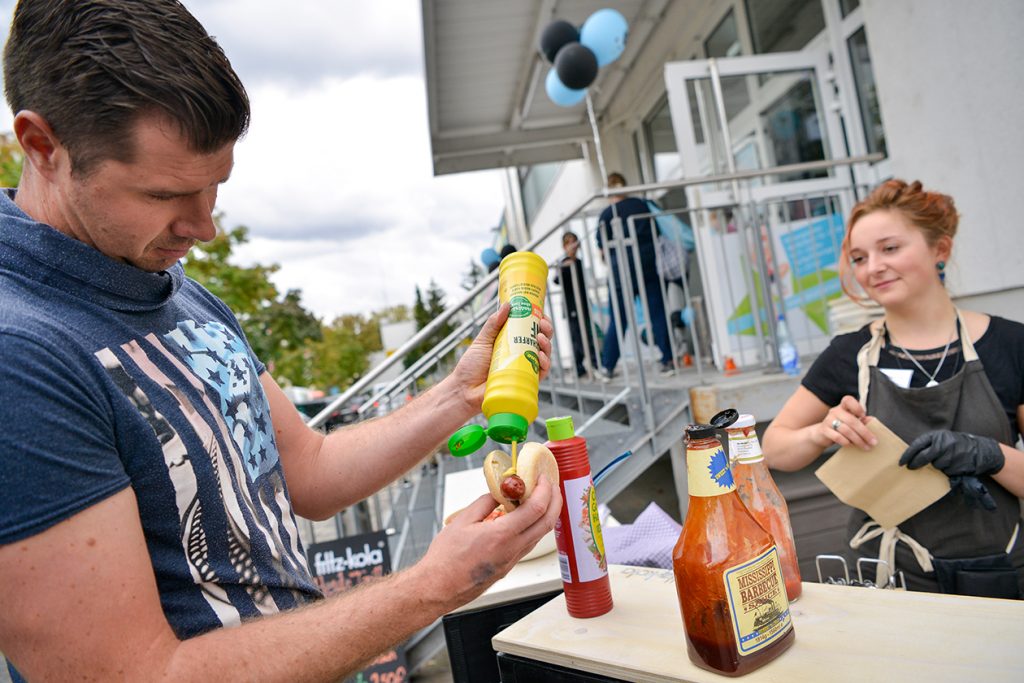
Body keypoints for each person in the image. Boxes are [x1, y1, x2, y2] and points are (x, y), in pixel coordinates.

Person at [0, 2, 560, 681]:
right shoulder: (21, 355)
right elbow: (133, 672)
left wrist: (457, 395)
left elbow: (309, 469)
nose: (204, 227)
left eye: (215, 186)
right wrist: (431, 585)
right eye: (165, 193)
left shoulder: (176, 287)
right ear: (40, 145)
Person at [762, 179, 1024, 597]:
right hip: (890, 578)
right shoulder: (849, 354)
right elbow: (773, 448)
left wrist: (991, 455)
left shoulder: (1010, 346)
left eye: (890, 249)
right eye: (859, 257)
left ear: (940, 249)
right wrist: (820, 432)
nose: (872, 268)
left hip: (999, 573)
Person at [595, 172, 674, 378]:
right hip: (648, 266)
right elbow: (656, 232)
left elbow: (602, 250)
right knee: (657, 313)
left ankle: (608, 366)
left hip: (620, 273)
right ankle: (668, 360)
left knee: (618, 319)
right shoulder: (641, 205)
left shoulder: (606, 215)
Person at [553, 231, 598, 377]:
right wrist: (564, 266)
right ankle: (582, 366)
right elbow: (556, 280)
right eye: (568, 243)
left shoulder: (578, 262)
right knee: (577, 337)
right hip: (571, 306)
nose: (572, 245)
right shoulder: (564, 263)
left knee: (586, 333)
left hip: (583, 303)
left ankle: (589, 364)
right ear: (564, 246)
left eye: (574, 241)